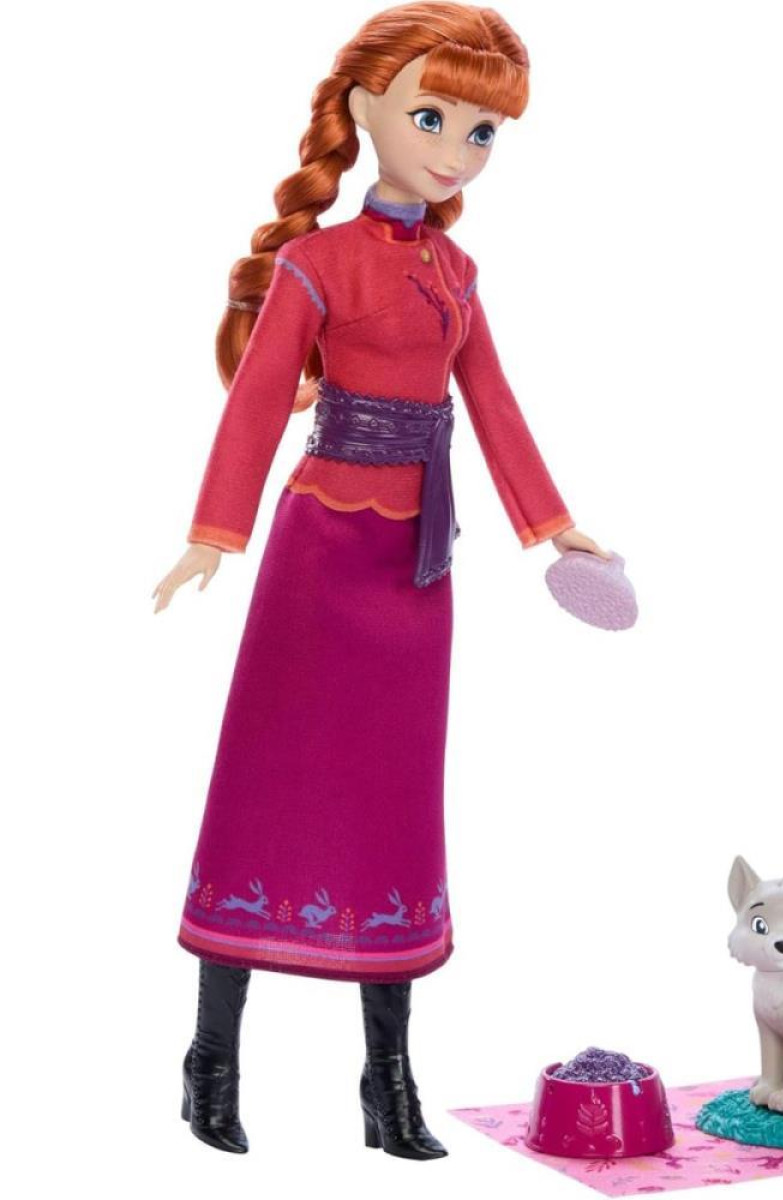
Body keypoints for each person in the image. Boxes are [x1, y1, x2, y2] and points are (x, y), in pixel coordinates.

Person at [152, 2, 606, 1159]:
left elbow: (492, 402)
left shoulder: (457, 270)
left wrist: (555, 529)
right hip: (320, 557)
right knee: (264, 787)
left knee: (395, 805)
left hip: (416, 570)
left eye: (482, 131)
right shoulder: (317, 264)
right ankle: (213, 1062)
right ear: (363, 109)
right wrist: (215, 533)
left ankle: (388, 1081)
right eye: (432, 118)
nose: (457, 149)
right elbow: (261, 399)